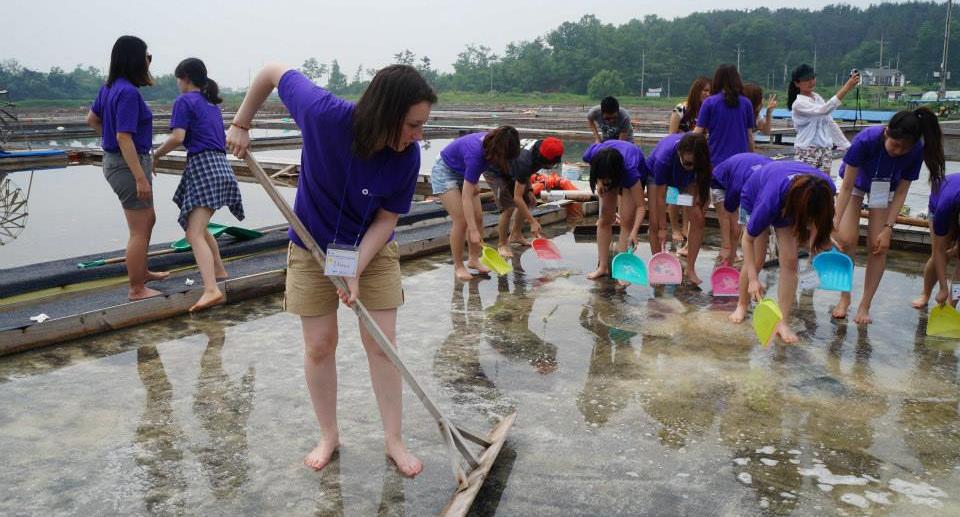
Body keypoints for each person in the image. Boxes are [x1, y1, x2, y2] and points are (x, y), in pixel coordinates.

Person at [225, 62, 436, 476]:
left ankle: (394, 439)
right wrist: (240, 123)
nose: (418, 136)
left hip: (370, 249)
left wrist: (355, 266)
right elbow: (271, 71)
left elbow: (387, 219)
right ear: (386, 113)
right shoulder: (324, 115)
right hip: (310, 243)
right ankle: (329, 435)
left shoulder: (407, 157)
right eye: (413, 125)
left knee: (382, 344)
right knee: (319, 345)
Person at [833, 108, 945, 324]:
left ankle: (865, 305)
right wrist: (835, 221)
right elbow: (846, 187)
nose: (898, 151)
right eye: (895, 145)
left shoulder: (916, 150)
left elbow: (902, 191)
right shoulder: (866, 139)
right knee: (846, 241)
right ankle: (844, 298)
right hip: (855, 184)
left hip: (884, 188)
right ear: (887, 133)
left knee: (879, 246)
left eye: (904, 148)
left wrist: (888, 228)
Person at [153, 58, 244, 312]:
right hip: (220, 167)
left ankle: (211, 289)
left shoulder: (184, 101)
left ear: (186, 79)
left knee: (193, 234)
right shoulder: (210, 104)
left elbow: (177, 137)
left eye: (178, 80)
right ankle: (219, 270)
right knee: (200, 228)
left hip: (204, 167)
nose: (178, 85)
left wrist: (156, 155)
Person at [86, 35, 169, 300]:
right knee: (139, 228)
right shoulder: (128, 93)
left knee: (148, 219)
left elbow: (92, 119)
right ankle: (136, 288)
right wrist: (139, 177)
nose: (149, 61)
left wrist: (108, 140)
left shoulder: (109, 88)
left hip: (120, 161)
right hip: (127, 165)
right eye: (147, 56)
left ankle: (142, 272)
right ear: (135, 59)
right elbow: (124, 137)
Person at [729, 161, 836, 344]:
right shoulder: (769, 202)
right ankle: (741, 304)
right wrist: (754, 280)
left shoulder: (825, 188)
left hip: (789, 198)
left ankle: (783, 322)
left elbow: (821, 218)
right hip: (755, 196)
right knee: (757, 259)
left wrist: (821, 240)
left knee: (790, 261)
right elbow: (747, 240)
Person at [432, 127, 520, 280]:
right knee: (462, 220)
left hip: (463, 170)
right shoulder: (477, 155)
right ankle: (458, 265)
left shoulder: (493, 144)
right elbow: (466, 197)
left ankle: (474, 260)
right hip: (445, 171)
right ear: (498, 150)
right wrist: (472, 230)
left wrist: (472, 180)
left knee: (478, 217)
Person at [646, 132, 712, 285]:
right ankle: (658, 268)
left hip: (688, 180)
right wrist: (664, 228)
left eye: (696, 164)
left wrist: (700, 208)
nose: (692, 167)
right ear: (679, 153)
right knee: (655, 222)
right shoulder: (664, 158)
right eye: (689, 163)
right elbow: (661, 197)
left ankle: (690, 269)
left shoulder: (700, 158)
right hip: (656, 176)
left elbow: (703, 190)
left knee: (698, 220)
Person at [483, 137, 563, 258]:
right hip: (495, 171)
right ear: (544, 158)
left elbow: (527, 171)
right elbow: (517, 197)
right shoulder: (524, 161)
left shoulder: (542, 146)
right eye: (551, 163)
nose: (552, 165)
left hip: (512, 167)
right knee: (508, 208)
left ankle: (516, 234)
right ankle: (502, 244)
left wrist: (530, 190)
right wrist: (532, 222)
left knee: (528, 200)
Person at [582, 140, 648, 280]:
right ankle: (603, 267)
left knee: (626, 221)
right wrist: (600, 182)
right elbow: (593, 166)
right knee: (605, 219)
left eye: (608, 180)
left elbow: (641, 206)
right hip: (610, 167)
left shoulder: (630, 172)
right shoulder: (592, 154)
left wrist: (635, 232)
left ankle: (623, 271)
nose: (607, 182)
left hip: (628, 167)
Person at [788, 63, 860, 174]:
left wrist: (846, 145)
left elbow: (830, 123)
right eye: (806, 79)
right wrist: (846, 88)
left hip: (825, 149)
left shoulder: (817, 98)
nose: (811, 82)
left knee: (825, 186)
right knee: (807, 186)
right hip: (807, 150)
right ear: (797, 83)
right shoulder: (798, 104)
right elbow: (823, 110)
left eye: (812, 78)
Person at [667, 77, 711, 251]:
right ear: (696, 91)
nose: (707, 94)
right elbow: (671, 135)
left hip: (697, 159)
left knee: (690, 194)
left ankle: (685, 227)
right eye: (704, 90)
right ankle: (675, 229)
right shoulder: (681, 108)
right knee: (674, 194)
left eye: (710, 91)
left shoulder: (708, 111)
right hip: (677, 156)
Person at [710, 153, 772, 265]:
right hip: (720, 181)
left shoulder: (772, 181)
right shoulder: (738, 186)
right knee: (733, 226)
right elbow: (728, 210)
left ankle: (731, 262)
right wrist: (726, 245)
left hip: (748, 170)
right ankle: (726, 252)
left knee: (740, 228)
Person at [912, 173, 960, 308]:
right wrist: (943, 287)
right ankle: (925, 294)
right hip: (940, 201)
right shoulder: (945, 205)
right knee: (939, 253)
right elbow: (938, 251)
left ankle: (952, 304)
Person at [694, 64, 755, 167]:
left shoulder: (709, 102)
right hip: (741, 162)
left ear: (717, 79)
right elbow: (749, 136)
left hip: (716, 160)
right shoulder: (746, 103)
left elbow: (697, 133)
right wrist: (752, 159)